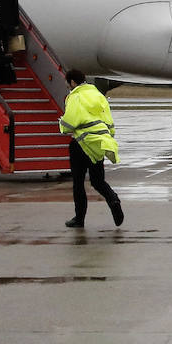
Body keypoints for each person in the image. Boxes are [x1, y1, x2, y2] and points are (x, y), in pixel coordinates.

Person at [58, 69, 123, 228]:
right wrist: (108, 136)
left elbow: (71, 121)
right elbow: (108, 120)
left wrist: (62, 126)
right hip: (99, 142)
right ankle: (113, 199)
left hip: (80, 143)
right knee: (98, 181)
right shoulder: (98, 95)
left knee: (78, 183)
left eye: (68, 83)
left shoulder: (75, 96)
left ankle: (79, 218)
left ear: (72, 82)